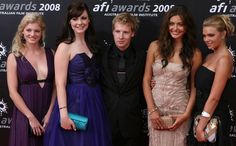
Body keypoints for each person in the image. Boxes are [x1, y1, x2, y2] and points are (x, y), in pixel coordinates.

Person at [43, 1, 112, 146]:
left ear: (89, 20)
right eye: (75, 19)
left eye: (83, 18)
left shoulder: (93, 44)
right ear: (69, 22)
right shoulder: (64, 47)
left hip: (95, 101)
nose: (79, 22)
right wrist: (63, 114)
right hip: (74, 102)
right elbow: (60, 84)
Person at [142, 6, 202, 146]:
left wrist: (186, 114)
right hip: (156, 110)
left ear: (187, 27)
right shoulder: (155, 46)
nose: (175, 28)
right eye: (171, 23)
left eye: (180, 24)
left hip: (179, 111)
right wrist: (152, 110)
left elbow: (193, 87)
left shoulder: (195, 53)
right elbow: (146, 80)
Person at [7, 12, 56, 146]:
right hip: (25, 115)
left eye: (36, 31)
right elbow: (13, 92)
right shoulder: (14, 57)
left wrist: (50, 113)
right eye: (28, 30)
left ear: (42, 33)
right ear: (22, 31)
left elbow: (56, 87)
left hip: (48, 114)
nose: (32, 34)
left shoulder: (51, 53)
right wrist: (31, 117)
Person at [98, 12, 146, 146]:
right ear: (112, 32)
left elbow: (147, 83)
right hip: (106, 122)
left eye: (125, 32)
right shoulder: (101, 56)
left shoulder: (142, 57)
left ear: (133, 33)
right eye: (117, 31)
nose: (120, 36)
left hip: (132, 124)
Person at [193, 14, 235, 146]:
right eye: (204, 35)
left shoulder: (224, 59)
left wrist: (201, 126)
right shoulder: (209, 56)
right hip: (202, 115)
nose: (206, 39)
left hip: (215, 119)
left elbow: (214, 97)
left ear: (223, 34)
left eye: (211, 35)